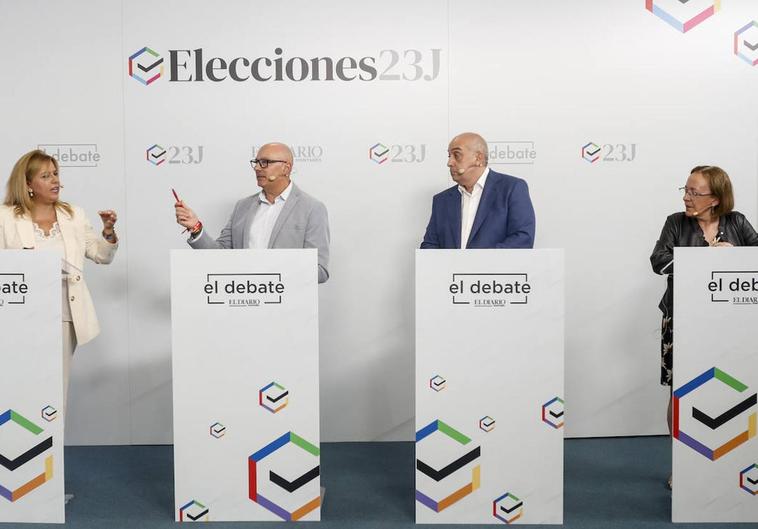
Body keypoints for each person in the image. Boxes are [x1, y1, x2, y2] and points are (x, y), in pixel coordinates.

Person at [650, 165, 758, 488]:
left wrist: (734, 254)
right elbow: (658, 262)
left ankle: (735, 462)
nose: (686, 197)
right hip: (681, 321)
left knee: (734, 388)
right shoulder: (675, 223)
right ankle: (683, 464)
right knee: (681, 392)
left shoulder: (737, 222)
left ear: (715, 198)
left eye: (694, 192)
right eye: (685, 190)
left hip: (731, 324)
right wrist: (704, 256)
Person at [0, 149, 118, 410]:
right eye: (46, 176)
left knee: (54, 386)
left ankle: (50, 449)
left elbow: (101, 254)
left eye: (56, 174)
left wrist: (108, 233)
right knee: (16, 385)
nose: (55, 181)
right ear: (28, 184)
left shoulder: (73, 215)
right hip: (17, 314)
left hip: (64, 312)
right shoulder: (5, 217)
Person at [174, 142, 330, 283]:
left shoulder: (312, 208)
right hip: (245, 303)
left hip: (287, 308)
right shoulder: (242, 206)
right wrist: (196, 227)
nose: (257, 168)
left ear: (286, 168)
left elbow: (320, 271)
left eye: (265, 162)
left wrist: (273, 272)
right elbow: (219, 257)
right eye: (256, 162)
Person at [420, 132, 535, 249]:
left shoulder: (511, 188)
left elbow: (522, 239)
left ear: (478, 158)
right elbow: (430, 245)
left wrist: (480, 262)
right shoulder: (442, 201)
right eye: (449, 156)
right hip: (450, 268)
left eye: (457, 155)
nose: (449, 163)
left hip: (496, 267)